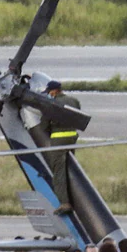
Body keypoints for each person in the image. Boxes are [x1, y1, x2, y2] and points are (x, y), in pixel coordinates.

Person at [40, 80, 82, 216]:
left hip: (58, 140)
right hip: (72, 137)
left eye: (49, 92)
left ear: (54, 91)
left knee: (58, 172)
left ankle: (64, 203)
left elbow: (44, 126)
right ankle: (76, 198)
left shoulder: (51, 104)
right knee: (70, 169)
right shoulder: (74, 101)